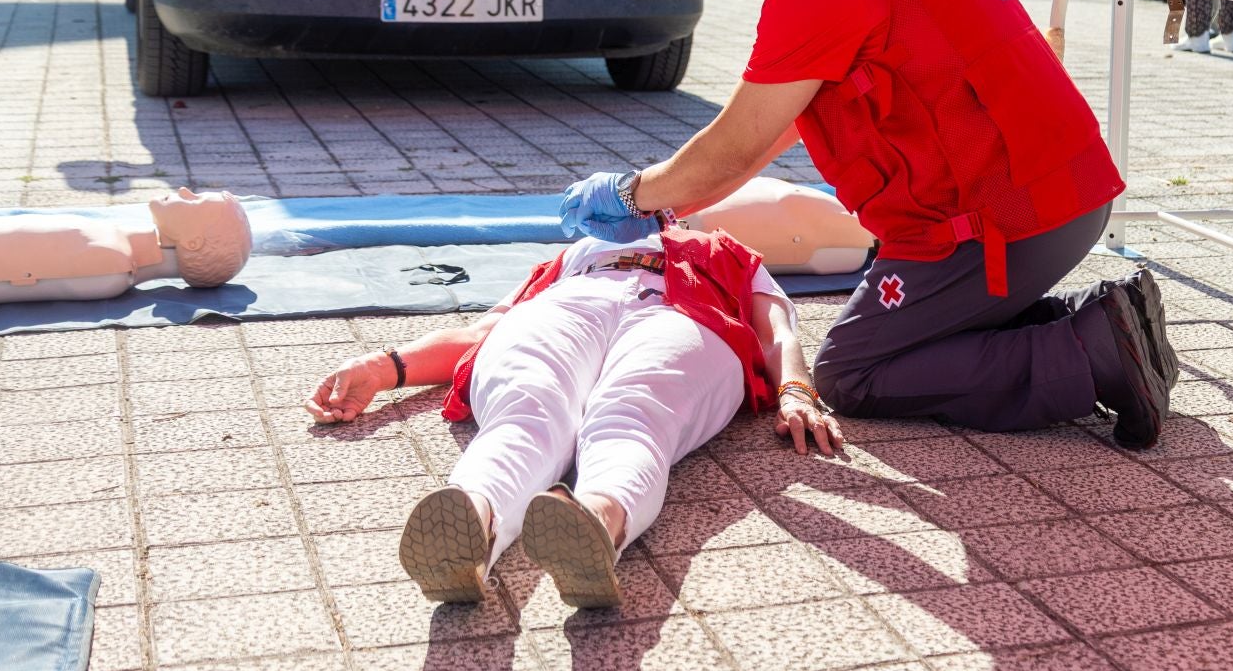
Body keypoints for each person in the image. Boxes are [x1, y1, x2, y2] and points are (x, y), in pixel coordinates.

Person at [557, 0, 1178, 448]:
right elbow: (767, 130)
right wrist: (669, 202)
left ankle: (1092, 352)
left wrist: (632, 194)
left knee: (854, 371)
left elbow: (735, 147)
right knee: (906, 325)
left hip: (1013, 221)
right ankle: (1106, 321)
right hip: (1068, 193)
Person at [304, 223, 841, 608]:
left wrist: (796, 391)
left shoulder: (731, 251)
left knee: (632, 412)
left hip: (688, 317)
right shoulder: (579, 250)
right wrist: (382, 368)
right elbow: (479, 332)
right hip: (566, 306)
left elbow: (777, 335)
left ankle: (597, 523)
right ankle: (472, 516)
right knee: (526, 404)